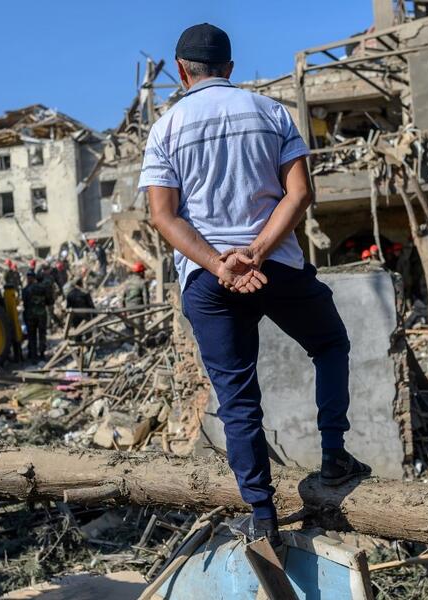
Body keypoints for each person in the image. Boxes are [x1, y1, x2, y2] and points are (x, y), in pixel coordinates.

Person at [140, 23, 371, 547]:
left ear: (181, 71)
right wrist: (257, 253)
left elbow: (164, 216)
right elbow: (300, 194)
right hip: (277, 267)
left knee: (238, 398)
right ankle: (334, 456)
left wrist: (220, 265)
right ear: (230, 69)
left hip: (207, 278)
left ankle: (262, 518)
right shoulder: (270, 111)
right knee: (329, 343)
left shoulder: (166, 127)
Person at [22, 270, 49, 361]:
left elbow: (25, 303)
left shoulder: (25, 290)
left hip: (30, 315)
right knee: (42, 334)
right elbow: (49, 301)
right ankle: (41, 354)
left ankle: (33, 356)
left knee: (32, 336)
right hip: (41, 314)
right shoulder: (42, 288)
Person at [3, 259, 23, 362]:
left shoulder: (12, 275)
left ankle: (18, 356)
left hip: (13, 296)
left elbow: (18, 284)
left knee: (16, 329)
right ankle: (18, 355)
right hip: (13, 297)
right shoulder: (8, 274)